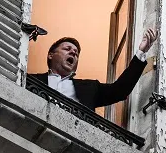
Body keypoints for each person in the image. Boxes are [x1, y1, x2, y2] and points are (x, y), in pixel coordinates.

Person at [28, 27, 158, 111]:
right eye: (67, 49)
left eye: (76, 53)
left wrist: (141, 52)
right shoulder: (30, 80)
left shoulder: (90, 88)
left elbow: (120, 91)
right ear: (51, 55)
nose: (73, 53)